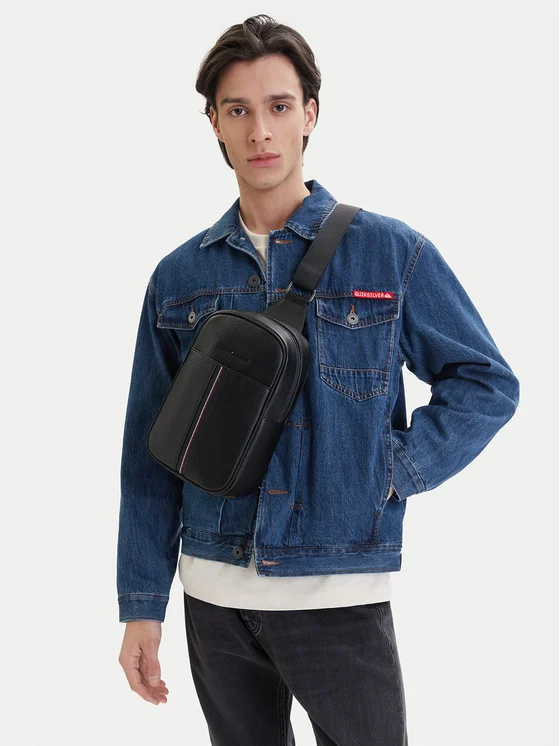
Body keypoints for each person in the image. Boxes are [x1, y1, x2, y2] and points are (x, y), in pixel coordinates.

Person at [116, 14, 520, 746]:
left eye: (278, 106)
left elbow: (486, 382)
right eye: (238, 111)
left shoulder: (390, 253)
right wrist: (142, 605)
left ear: (310, 112)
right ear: (214, 124)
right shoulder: (178, 278)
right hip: (213, 593)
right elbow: (150, 454)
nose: (260, 131)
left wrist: (390, 469)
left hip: (338, 590)